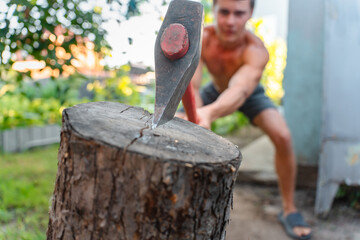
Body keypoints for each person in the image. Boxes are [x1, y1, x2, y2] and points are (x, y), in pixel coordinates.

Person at [178, 0, 312, 239]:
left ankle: (290, 209)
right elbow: (193, 85)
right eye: (225, 12)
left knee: (283, 136)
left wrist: (208, 113)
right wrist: (196, 116)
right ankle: (182, 197)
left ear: (250, 14)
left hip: (249, 94)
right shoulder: (202, 38)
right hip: (213, 90)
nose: (231, 21)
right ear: (214, 11)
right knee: (184, 126)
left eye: (239, 13)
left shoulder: (255, 50)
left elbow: (240, 90)